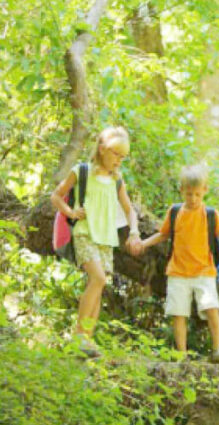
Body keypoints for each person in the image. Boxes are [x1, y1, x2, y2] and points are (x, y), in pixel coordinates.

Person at [138, 165, 219, 363]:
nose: (193, 199)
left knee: (212, 308)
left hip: (204, 272)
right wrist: (143, 243)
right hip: (178, 272)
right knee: (179, 313)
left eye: (197, 194)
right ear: (181, 190)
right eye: (189, 194)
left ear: (205, 190)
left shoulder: (210, 215)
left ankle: (217, 350)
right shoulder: (175, 212)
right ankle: (181, 354)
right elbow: (163, 234)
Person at [51, 126, 142, 357]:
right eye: (115, 154)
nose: (118, 160)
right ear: (102, 149)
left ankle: (87, 341)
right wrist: (71, 212)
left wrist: (134, 231)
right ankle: (79, 337)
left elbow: (129, 210)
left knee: (98, 286)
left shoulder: (117, 180)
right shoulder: (81, 171)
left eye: (123, 157)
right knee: (98, 278)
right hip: (84, 233)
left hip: (105, 239)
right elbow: (56, 196)